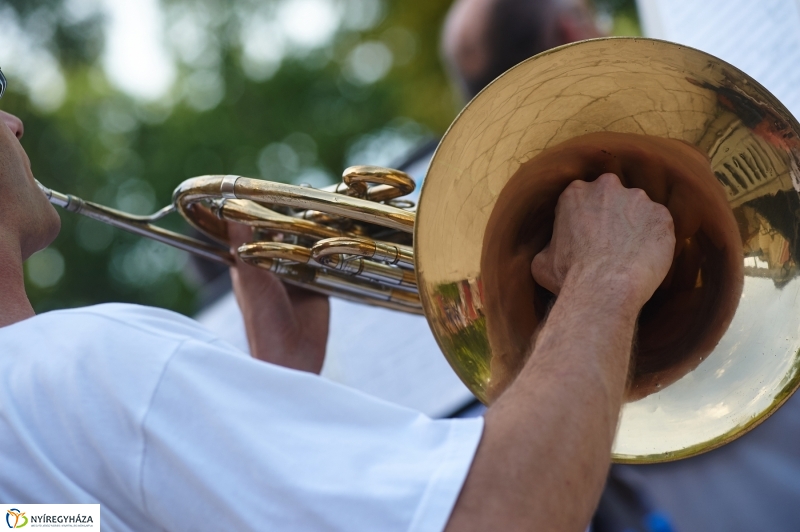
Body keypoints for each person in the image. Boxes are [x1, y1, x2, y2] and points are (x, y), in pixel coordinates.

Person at [0, 72, 676, 532]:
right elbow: (502, 513)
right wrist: (604, 276)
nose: (14, 121)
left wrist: (277, 387)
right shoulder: (85, 369)